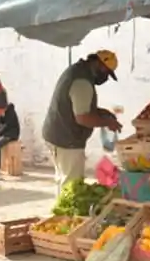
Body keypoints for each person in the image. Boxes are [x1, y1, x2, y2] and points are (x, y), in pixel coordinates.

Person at [41, 50, 123, 193]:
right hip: (67, 140)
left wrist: (100, 112)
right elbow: (83, 118)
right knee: (72, 186)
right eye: (106, 72)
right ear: (97, 63)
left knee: (64, 181)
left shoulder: (77, 71)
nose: (106, 77)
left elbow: (79, 106)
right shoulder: (82, 82)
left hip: (56, 134)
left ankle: (61, 212)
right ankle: (66, 215)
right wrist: (107, 123)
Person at [0, 102, 21, 173]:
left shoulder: (10, 112)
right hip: (6, 134)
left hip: (12, 134)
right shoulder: (3, 113)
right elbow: (0, 124)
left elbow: (7, 125)